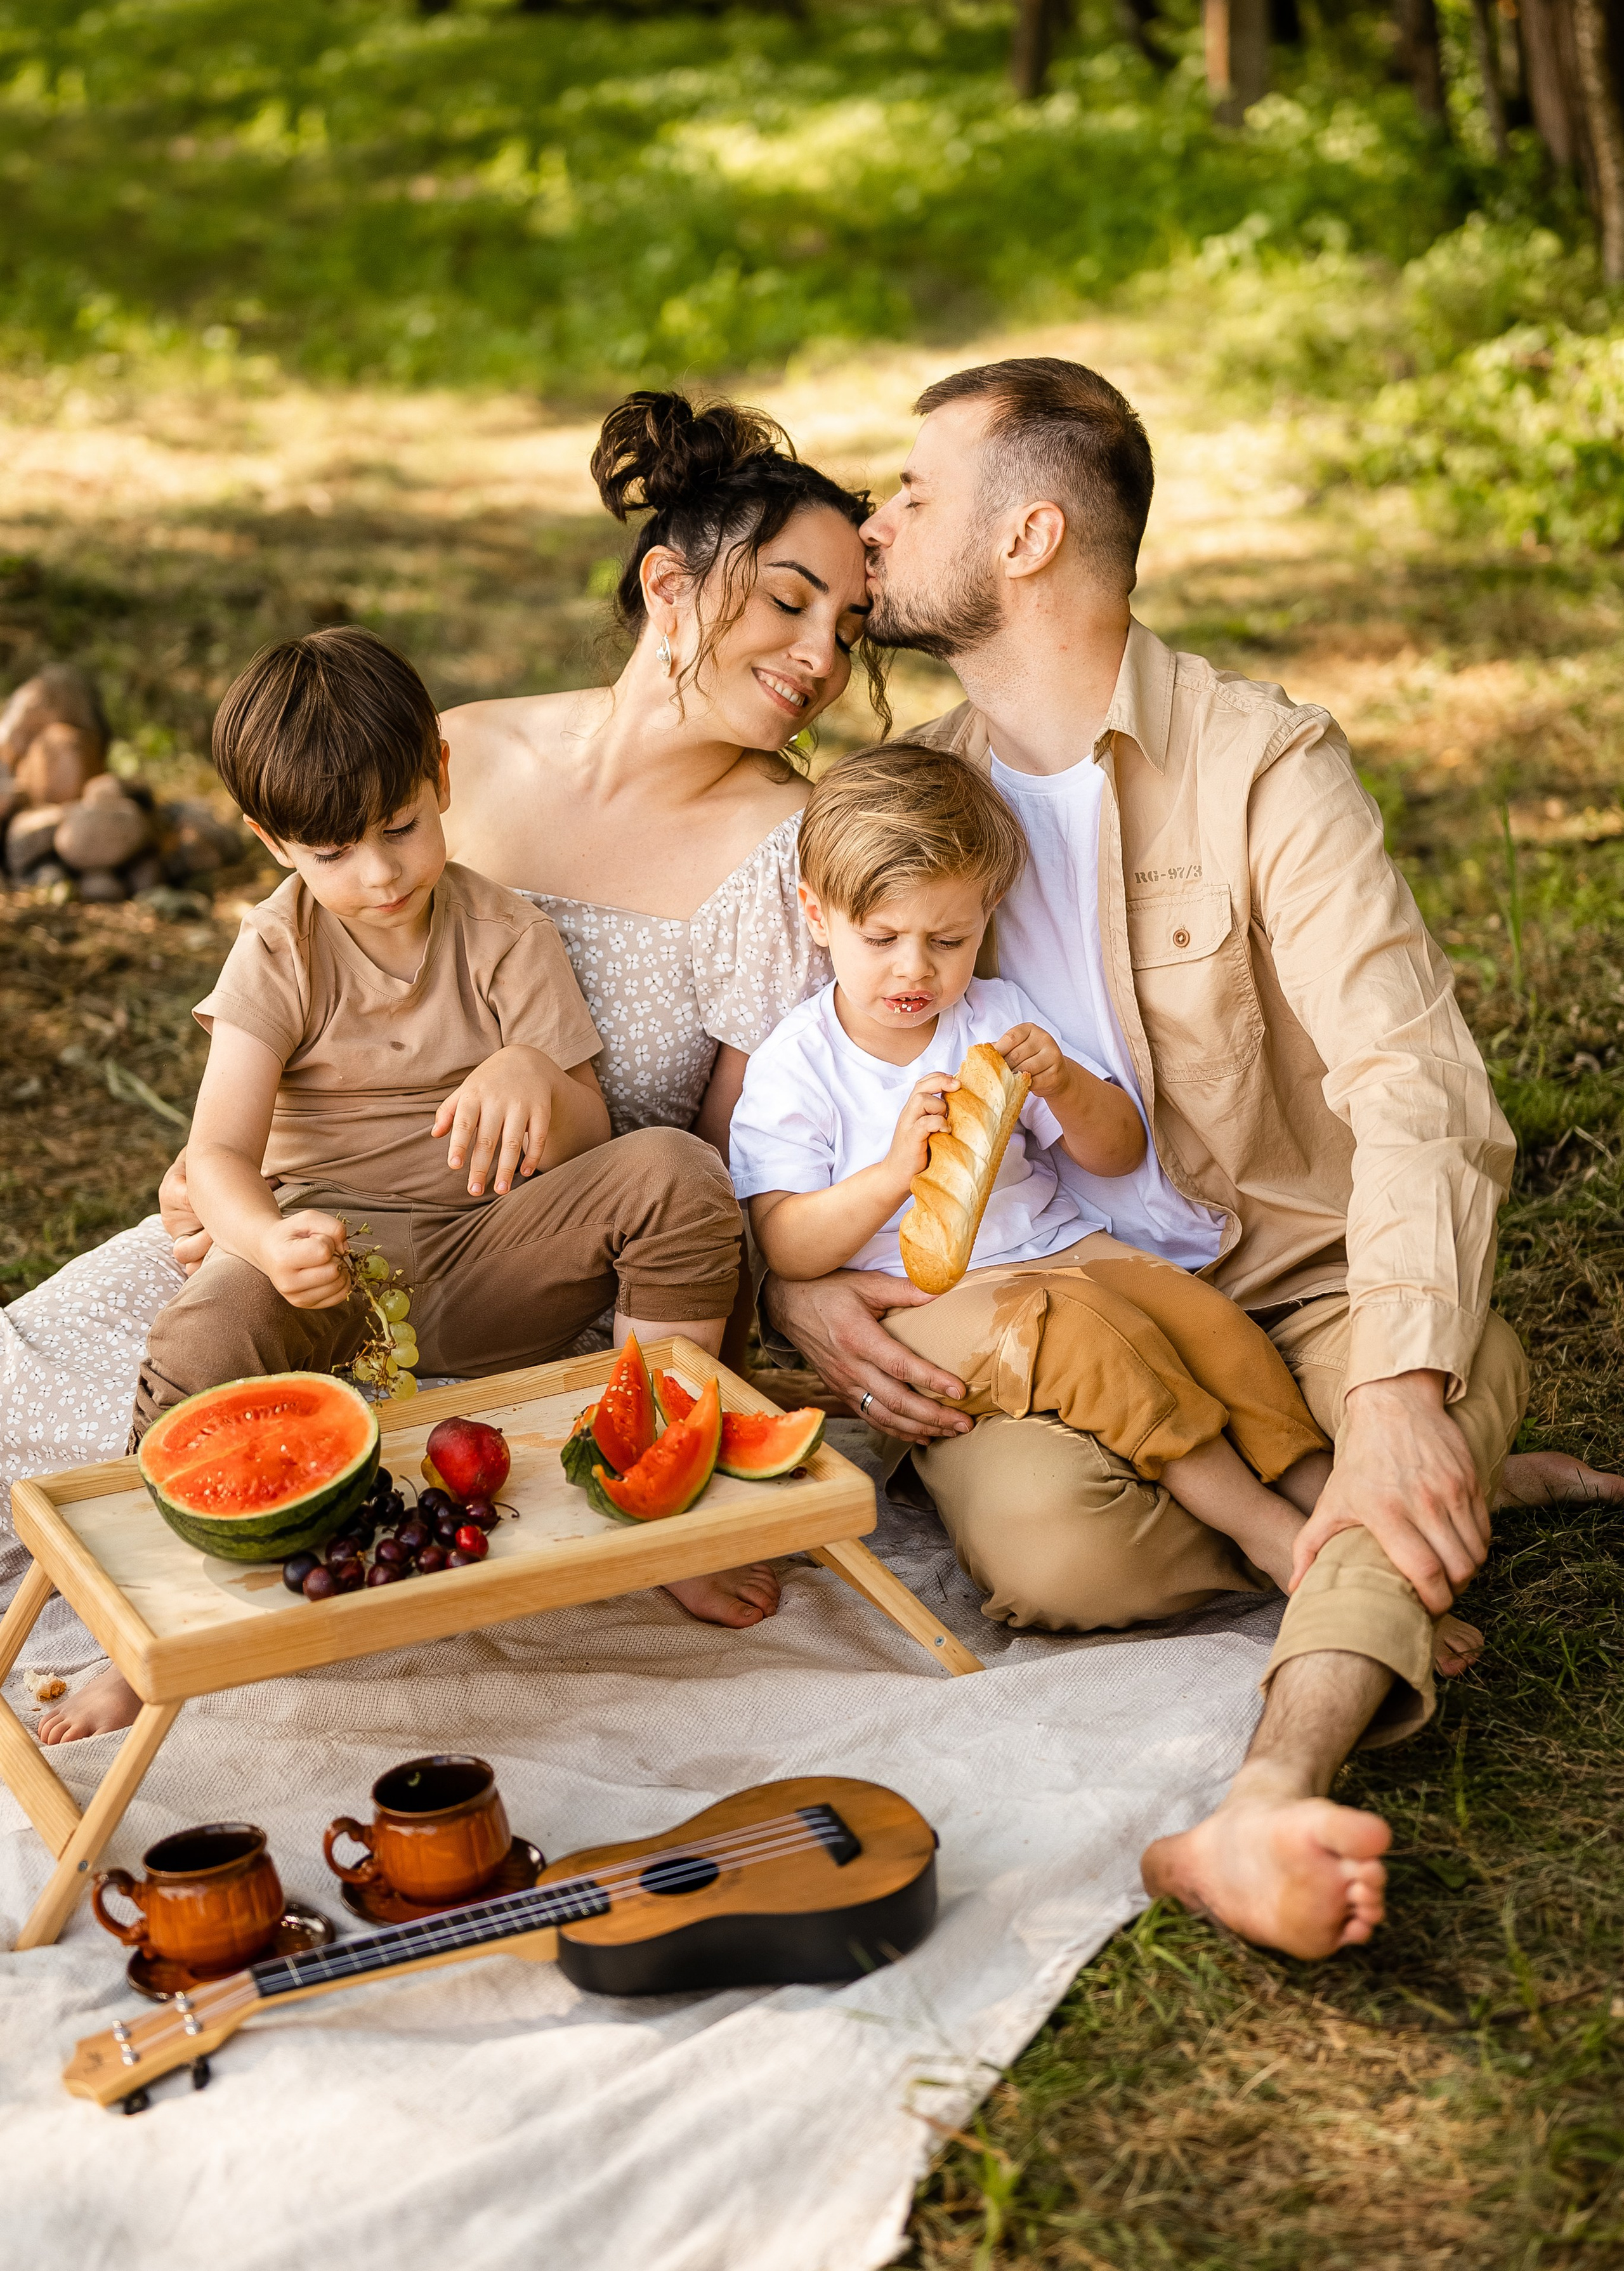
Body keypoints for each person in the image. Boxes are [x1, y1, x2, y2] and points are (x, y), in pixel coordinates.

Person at [763, 355, 1624, 1961]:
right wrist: (802, 1296)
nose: (874, 525)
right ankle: (1405, 1512)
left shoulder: (1262, 764)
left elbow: (1416, 1081)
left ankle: (1265, 1792)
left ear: (1025, 538)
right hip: (1043, 1307)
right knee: (1049, 1548)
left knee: (1432, 1361)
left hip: (1288, 1278)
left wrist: (1391, 1390)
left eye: (909, 491)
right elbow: (784, 1094)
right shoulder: (903, 801)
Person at [4, 389, 875, 1648]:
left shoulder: (782, 850)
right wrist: (215, 1184)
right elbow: (287, 973)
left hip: (554, 1267)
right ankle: (165, 1605)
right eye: (793, 600)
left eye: (849, 628)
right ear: (670, 588)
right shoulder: (455, 753)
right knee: (36, 1394)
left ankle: (657, 1502)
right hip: (314, 1228)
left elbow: (732, 1165)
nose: (823, 658)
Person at [40, 624, 745, 1744]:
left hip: (487, 1251)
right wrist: (267, 1244)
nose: (376, 875)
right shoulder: (280, 952)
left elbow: (586, 1132)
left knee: (677, 1173)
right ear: (271, 842)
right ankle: (143, 1636)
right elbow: (217, 1153)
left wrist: (530, 1075)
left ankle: (662, 1511)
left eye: (400, 829)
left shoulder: (505, 932)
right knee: (200, 1342)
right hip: (326, 1267)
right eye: (331, 853)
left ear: (441, 781)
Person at [732, 741, 1338, 1594]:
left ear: (987, 916)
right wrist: (893, 1174)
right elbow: (788, 1245)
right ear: (816, 913)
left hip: (1060, 1245)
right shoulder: (799, 1063)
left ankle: (1336, 1509)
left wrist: (1065, 1083)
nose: (915, 968)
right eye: (882, 938)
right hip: (930, 1298)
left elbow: (1118, 1150)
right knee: (1092, 1344)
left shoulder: (997, 1016)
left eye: (949, 938)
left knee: (1208, 1325)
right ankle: (1270, 1534)